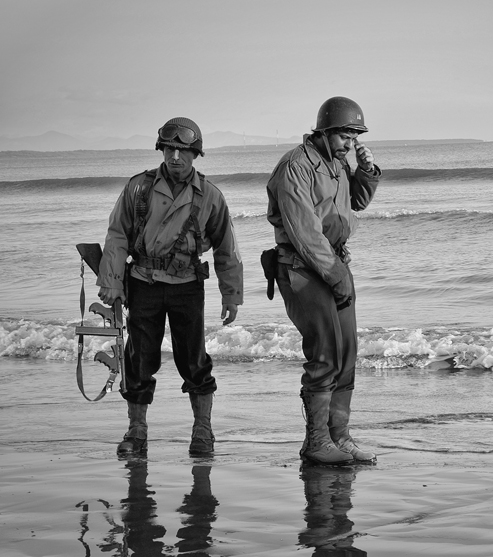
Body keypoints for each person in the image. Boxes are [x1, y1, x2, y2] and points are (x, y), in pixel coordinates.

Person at [98, 117, 244, 457]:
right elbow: (117, 233)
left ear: (195, 154)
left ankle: (202, 431)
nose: (175, 157)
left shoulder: (209, 195)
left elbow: (227, 247)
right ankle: (136, 431)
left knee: (194, 359)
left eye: (182, 150)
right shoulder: (139, 188)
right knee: (138, 359)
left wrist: (231, 295)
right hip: (143, 283)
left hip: (187, 285)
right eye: (169, 149)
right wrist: (112, 282)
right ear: (162, 150)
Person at [266, 96, 380, 466]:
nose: (351, 143)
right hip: (303, 267)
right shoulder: (295, 167)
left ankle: (340, 438)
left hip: (332, 264)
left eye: (354, 136)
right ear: (326, 130)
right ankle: (316, 441)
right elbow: (305, 233)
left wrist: (366, 171)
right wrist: (335, 275)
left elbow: (355, 204)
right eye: (346, 135)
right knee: (325, 353)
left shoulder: (337, 162)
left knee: (346, 354)